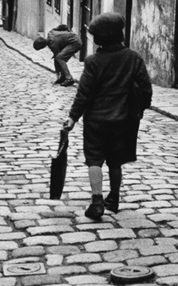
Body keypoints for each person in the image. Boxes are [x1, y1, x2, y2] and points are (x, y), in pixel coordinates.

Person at [61, 12, 152, 221]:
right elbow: (146, 89)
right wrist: (139, 110)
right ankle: (115, 199)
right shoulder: (133, 58)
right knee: (115, 161)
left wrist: (73, 118)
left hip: (96, 120)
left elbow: (84, 93)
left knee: (94, 159)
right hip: (124, 120)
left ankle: (97, 201)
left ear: (100, 39)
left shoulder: (93, 61)